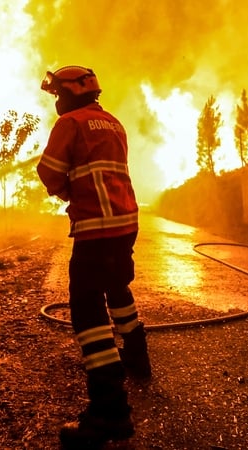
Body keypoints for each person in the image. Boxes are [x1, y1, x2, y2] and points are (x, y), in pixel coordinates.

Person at [37, 65, 152, 448]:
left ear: (71, 93)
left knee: (88, 314)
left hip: (96, 227)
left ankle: (110, 413)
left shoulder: (70, 123)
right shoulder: (113, 123)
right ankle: (137, 355)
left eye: (57, 94)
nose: (57, 101)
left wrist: (70, 190)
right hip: (125, 222)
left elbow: (49, 172)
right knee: (117, 287)